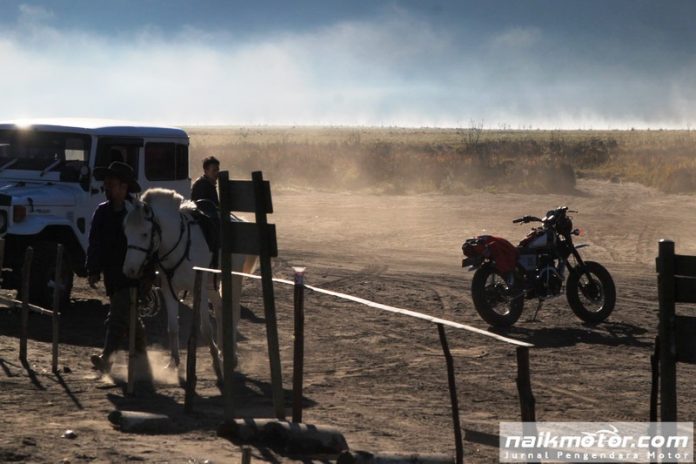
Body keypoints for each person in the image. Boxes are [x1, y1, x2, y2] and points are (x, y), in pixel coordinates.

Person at [87, 161, 147, 374]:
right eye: (106, 185)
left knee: (117, 315)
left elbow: (147, 244)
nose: (107, 189)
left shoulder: (137, 212)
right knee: (129, 316)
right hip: (111, 274)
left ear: (124, 187)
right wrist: (93, 268)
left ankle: (107, 358)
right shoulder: (102, 212)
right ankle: (142, 361)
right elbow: (94, 241)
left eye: (111, 184)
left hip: (132, 273)